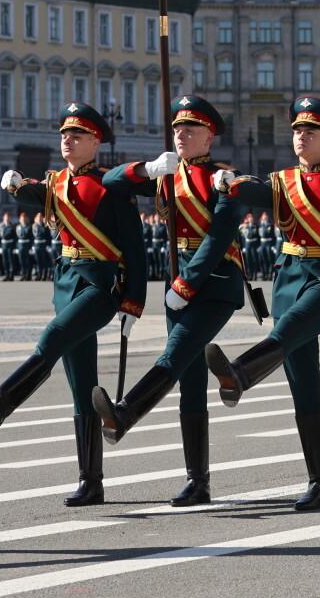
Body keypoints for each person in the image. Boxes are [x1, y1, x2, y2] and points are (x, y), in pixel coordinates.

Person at [0, 103, 147, 507]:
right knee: (81, 386)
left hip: (101, 285)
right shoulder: (56, 183)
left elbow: (135, 245)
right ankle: (90, 481)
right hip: (66, 285)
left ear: (96, 141)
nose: (68, 141)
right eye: (64, 135)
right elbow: (36, 194)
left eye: (77, 135)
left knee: (53, 337)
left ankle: (2, 401)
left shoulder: (111, 185)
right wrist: (13, 184)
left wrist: (133, 302)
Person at [204, 96, 320, 509]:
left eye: (311, 131)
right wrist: (228, 181)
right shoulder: (281, 182)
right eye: (297, 130)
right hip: (289, 280)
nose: (301, 136)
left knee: (291, 327)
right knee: (303, 385)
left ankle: (240, 374)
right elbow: (256, 192)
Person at [92, 95, 246, 507]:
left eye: (190, 129)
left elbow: (218, 239)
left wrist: (186, 285)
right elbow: (109, 183)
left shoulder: (225, 177)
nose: (181, 134)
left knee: (174, 355)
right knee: (190, 383)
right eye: (177, 129)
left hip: (213, 285)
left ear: (210, 136)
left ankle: (125, 413)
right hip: (178, 285)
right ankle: (199, 481)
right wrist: (147, 168)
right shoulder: (166, 175)